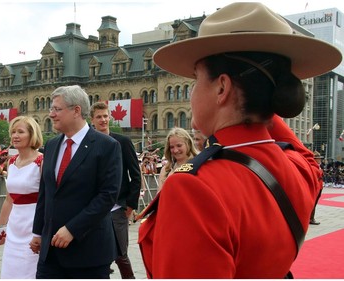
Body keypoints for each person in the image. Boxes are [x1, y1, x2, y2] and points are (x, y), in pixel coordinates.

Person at [138, 2, 341, 278]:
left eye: (196, 80)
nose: (191, 93)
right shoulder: (297, 169)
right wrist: (261, 104)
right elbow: (306, 157)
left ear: (222, 87)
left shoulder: (192, 190)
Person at [30, 85, 122, 279]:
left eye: (57, 109)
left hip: (88, 252)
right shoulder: (52, 145)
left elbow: (107, 196)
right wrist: (38, 232)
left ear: (76, 110)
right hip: (51, 253)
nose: (51, 114)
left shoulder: (107, 146)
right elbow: (46, 192)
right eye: (51, 109)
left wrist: (73, 229)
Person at [90, 101, 141, 279]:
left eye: (105, 116)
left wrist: (130, 205)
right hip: (94, 207)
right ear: (92, 120)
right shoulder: (88, 144)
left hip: (118, 207)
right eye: (99, 117)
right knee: (96, 253)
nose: (103, 120)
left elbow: (135, 174)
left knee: (121, 253)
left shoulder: (123, 141)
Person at [0, 116, 44, 278]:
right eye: (13, 132)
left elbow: (49, 199)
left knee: (30, 270)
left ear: (32, 135)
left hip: (34, 224)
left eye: (20, 132)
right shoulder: (12, 162)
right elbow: (9, 199)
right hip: (14, 226)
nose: (15, 135)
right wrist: (0, 227)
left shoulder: (42, 161)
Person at [157, 127, 198, 192]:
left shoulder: (198, 166)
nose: (175, 150)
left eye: (179, 145)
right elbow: (159, 196)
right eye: (172, 147)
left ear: (188, 144)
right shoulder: (165, 170)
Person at [310, 151, 324, 225]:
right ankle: (311, 218)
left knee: (315, 203)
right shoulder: (313, 167)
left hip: (320, 186)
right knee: (313, 203)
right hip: (316, 187)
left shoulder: (318, 166)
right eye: (318, 158)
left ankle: (311, 218)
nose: (320, 160)